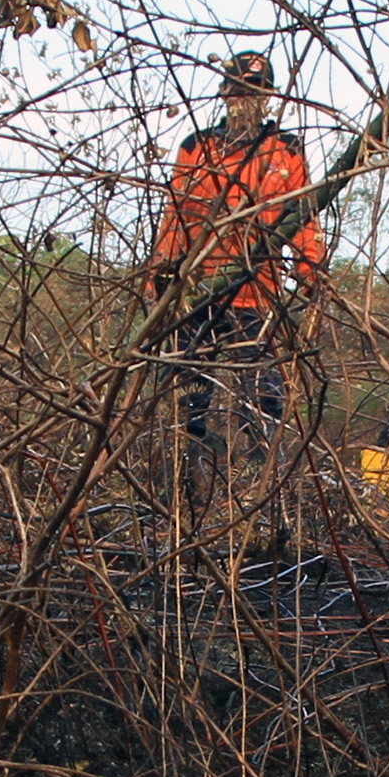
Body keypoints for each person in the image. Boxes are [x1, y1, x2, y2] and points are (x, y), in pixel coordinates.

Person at [146, 51, 327, 467]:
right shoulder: (197, 148)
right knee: (187, 401)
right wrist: (159, 277)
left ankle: (266, 495)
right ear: (225, 93)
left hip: (259, 298)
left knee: (262, 404)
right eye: (240, 91)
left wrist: (310, 272)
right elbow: (175, 218)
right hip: (198, 294)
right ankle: (184, 485)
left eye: (258, 93)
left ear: (269, 98)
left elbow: (303, 219)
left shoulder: (286, 151)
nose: (247, 101)